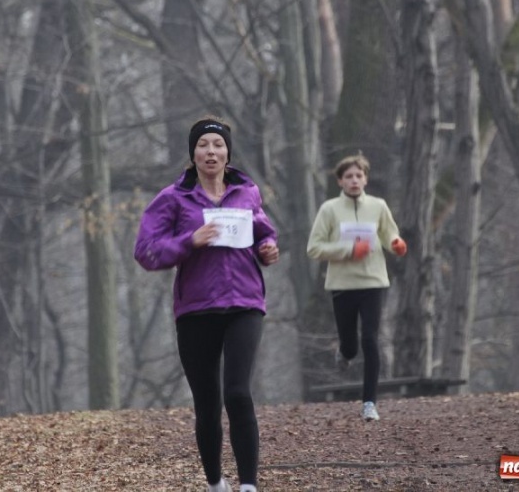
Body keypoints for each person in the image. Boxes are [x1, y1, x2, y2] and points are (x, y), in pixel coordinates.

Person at [134, 116, 279, 492]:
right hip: (196, 309)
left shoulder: (247, 192)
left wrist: (267, 248)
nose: (210, 151)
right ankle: (216, 482)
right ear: (193, 153)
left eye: (217, 145)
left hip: (245, 303)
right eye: (203, 145)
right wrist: (189, 241)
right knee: (208, 404)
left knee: (238, 392)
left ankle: (248, 485)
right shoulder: (173, 199)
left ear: (227, 153)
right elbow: (146, 252)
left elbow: (263, 232)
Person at [306, 153, 407, 422]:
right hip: (342, 284)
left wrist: (396, 244)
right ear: (340, 181)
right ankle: (344, 353)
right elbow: (314, 248)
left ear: (366, 179)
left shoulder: (378, 206)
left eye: (359, 176)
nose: (354, 180)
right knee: (351, 344)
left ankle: (369, 403)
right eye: (348, 176)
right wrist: (350, 249)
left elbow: (389, 235)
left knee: (370, 339)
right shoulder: (329, 210)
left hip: (373, 281)